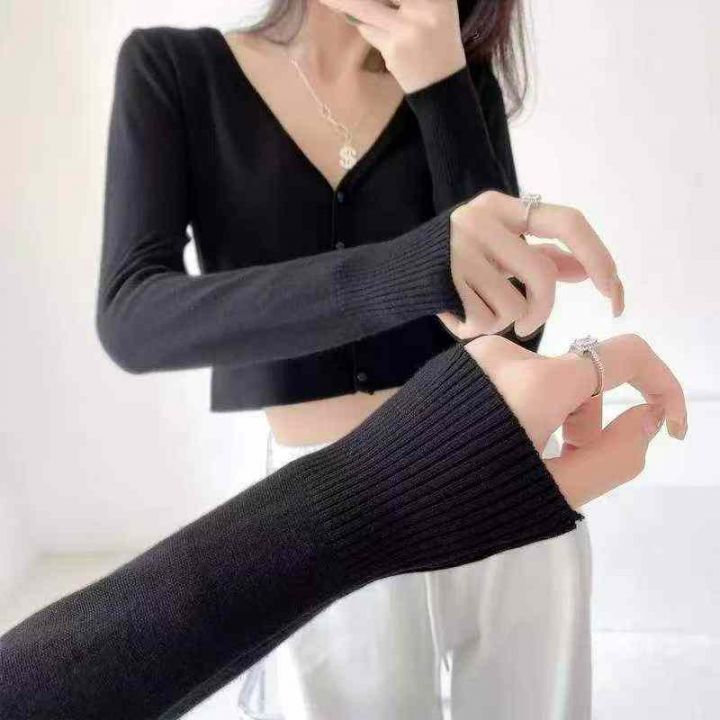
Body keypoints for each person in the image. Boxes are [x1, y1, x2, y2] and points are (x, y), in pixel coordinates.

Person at [94, 2, 625, 717]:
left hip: (495, 459)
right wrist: (405, 271)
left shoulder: (462, 82)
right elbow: (133, 316)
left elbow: (512, 329)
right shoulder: (175, 70)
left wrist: (443, 87)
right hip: (328, 494)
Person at [0, 332, 687, 720]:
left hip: (482, 449)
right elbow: (136, 321)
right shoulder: (186, 99)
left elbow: (511, 306)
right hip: (385, 459)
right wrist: (403, 270)